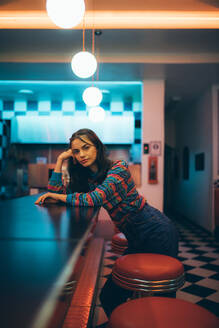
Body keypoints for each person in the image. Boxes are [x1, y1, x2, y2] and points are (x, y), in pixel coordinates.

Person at [35, 128, 179, 318]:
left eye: (86, 147)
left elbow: (95, 198)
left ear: (98, 147)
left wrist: (59, 197)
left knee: (162, 301)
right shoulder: (88, 178)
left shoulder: (118, 168)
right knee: (110, 296)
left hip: (156, 230)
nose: (82, 154)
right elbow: (57, 194)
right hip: (135, 236)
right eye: (76, 151)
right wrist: (61, 160)